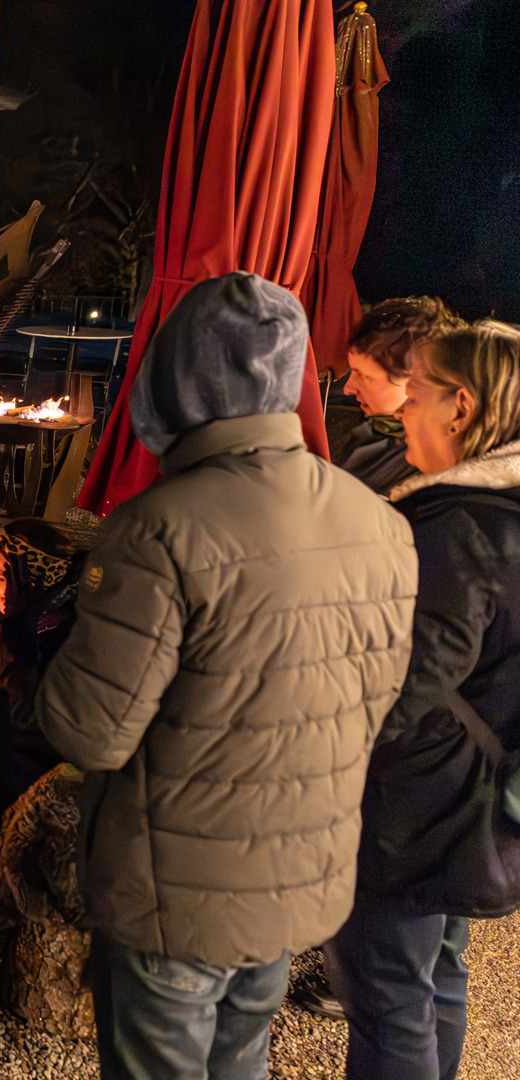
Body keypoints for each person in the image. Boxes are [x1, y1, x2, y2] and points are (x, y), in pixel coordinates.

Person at [32, 273, 418, 1080]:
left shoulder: (161, 530)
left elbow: (87, 729)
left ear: (178, 375)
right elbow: (375, 704)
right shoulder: (379, 522)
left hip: (176, 893)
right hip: (295, 879)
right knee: (241, 1059)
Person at [331, 320, 520, 1080]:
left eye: (417, 390)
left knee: (387, 1001)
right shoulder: (502, 508)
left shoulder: (457, 528)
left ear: (461, 408)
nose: (401, 406)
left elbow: (402, 689)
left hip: (413, 812)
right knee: (435, 981)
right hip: (470, 806)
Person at [0, 518, 85, 810]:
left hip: (40, 801)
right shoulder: (2, 628)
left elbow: (23, 724)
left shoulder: (73, 644)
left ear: (33, 579)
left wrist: (19, 646)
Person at [338, 296, 466, 494]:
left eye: (364, 377)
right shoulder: (371, 429)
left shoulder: (435, 463)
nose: (348, 388)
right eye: (352, 371)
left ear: (417, 379)